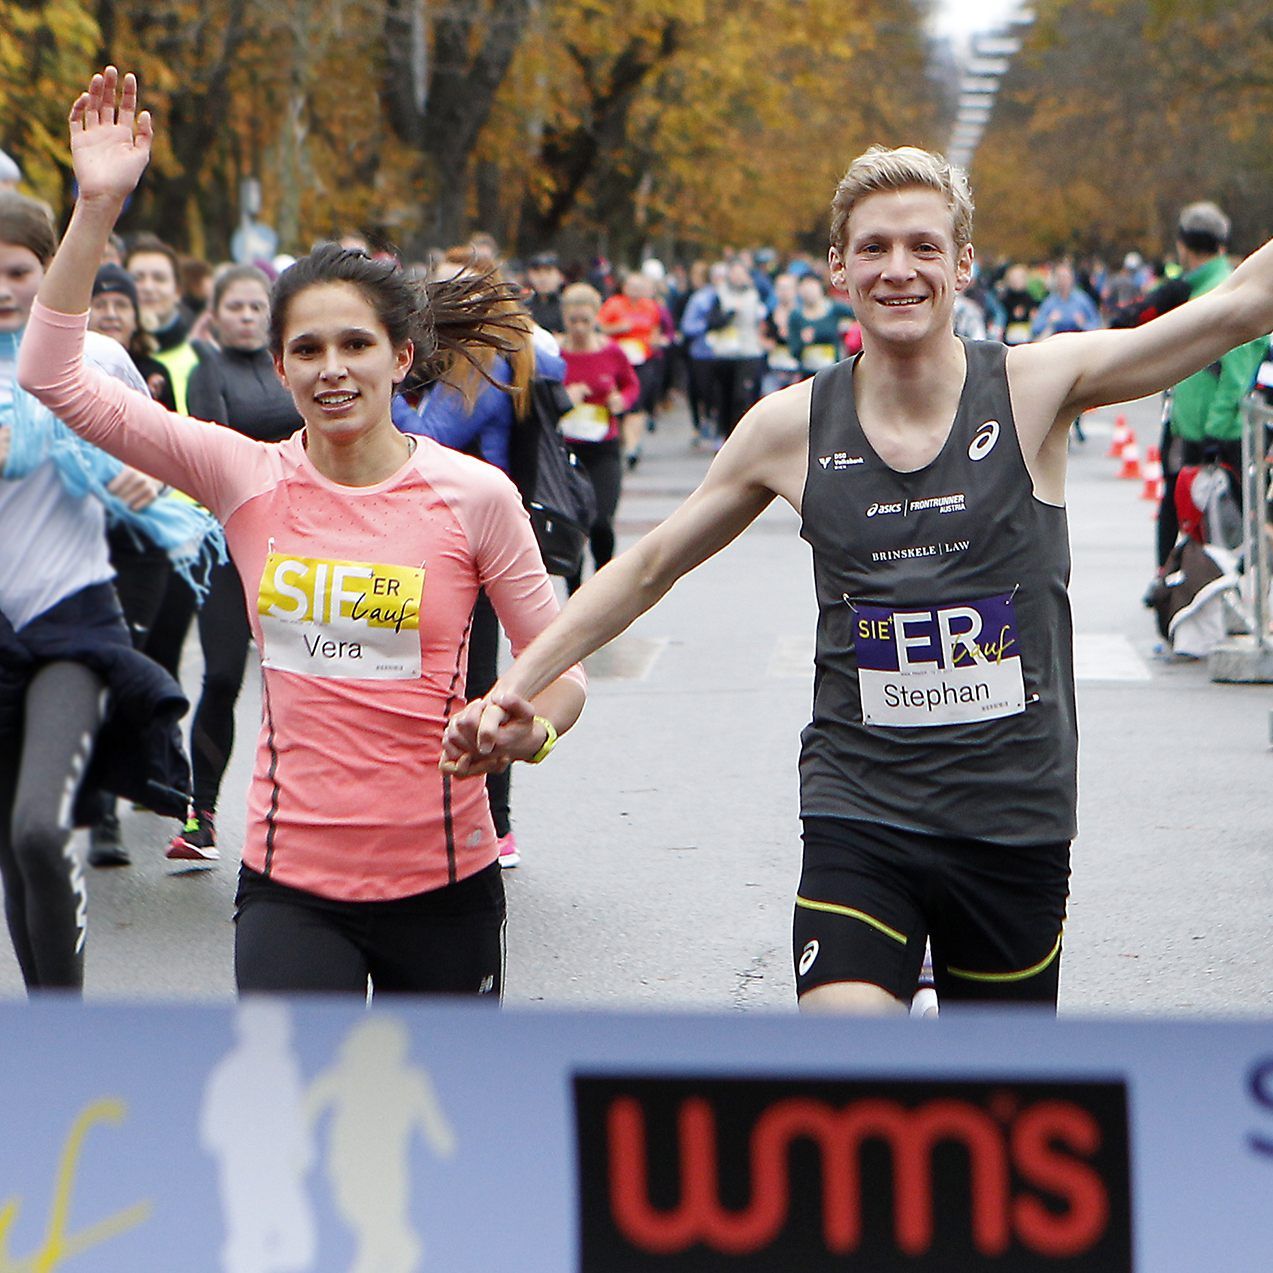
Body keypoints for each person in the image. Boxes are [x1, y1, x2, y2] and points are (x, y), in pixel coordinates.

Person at [445, 143, 1273, 1015]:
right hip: (859, 810)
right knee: (850, 1075)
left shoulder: (1036, 386)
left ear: (961, 263)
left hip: (1013, 820)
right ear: (838, 266)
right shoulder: (788, 426)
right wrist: (514, 687)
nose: (898, 270)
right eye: (873, 248)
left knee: (988, 1113)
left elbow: (1245, 303)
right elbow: (649, 565)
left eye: (923, 246)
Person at [19, 67, 586, 996]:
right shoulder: (244, 474)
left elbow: (560, 672)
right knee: (290, 1136)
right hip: (293, 889)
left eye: (356, 345)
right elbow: (55, 375)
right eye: (308, 350)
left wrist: (526, 731)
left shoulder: (475, 496)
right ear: (278, 366)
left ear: (401, 358)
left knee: (442, 1138)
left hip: (447, 882)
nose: (333, 370)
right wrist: (95, 207)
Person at [1, 190, 218, 988]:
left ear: (51, 268)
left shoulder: (91, 361)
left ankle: (66, 1025)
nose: (2, 287)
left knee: (35, 830)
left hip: (73, 623)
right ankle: (47, 1019)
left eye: (19, 269)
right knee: (9, 853)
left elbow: (167, 462)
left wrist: (142, 477)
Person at [167, 265, 304, 861]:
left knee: (305, 681)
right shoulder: (208, 371)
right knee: (222, 675)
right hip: (226, 544)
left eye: (256, 307)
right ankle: (202, 816)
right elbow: (213, 446)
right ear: (215, 315)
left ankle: (308, 814)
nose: (247, 317)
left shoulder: (291, 371)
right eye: (236, 308)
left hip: (295, 543)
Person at [558, 282, 640, 593]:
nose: (579, 328)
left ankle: (604, 586)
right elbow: (540, 391)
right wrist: (563, 397)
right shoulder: (556, 354)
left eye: (585, 321)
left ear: (595, 318)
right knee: (573, 523)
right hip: (567, 449)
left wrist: (623, 400)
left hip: (604, 448)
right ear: (564, 319)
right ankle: (575, 592)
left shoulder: (611, 352)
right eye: (572, 321)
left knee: (601, 521)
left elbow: (631, 385)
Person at [125, 233, 201, 412]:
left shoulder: (201, 357)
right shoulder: (111, 358)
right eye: (137, 278)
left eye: (159, 278)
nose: (148, 287)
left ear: (178, 291)